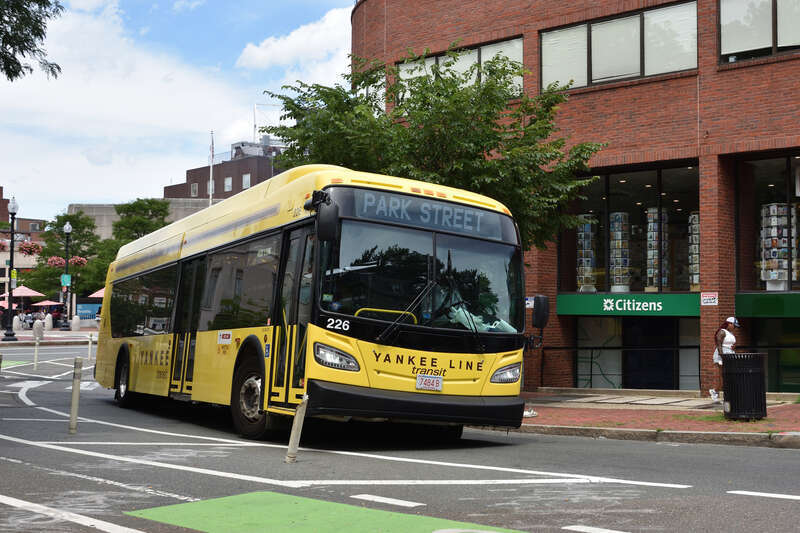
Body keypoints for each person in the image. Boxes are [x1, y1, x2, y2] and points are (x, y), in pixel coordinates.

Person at [710, 316, 740, 403]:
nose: (735, 327)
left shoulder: (730, 333)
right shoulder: (722, 332)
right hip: (722, 355)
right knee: (724, 376)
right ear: (729, 324)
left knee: (729, 375)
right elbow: (719, 345)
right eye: (734, 325)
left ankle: (716, 392)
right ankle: (718, 392)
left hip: (729, 354)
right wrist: (722, 357)